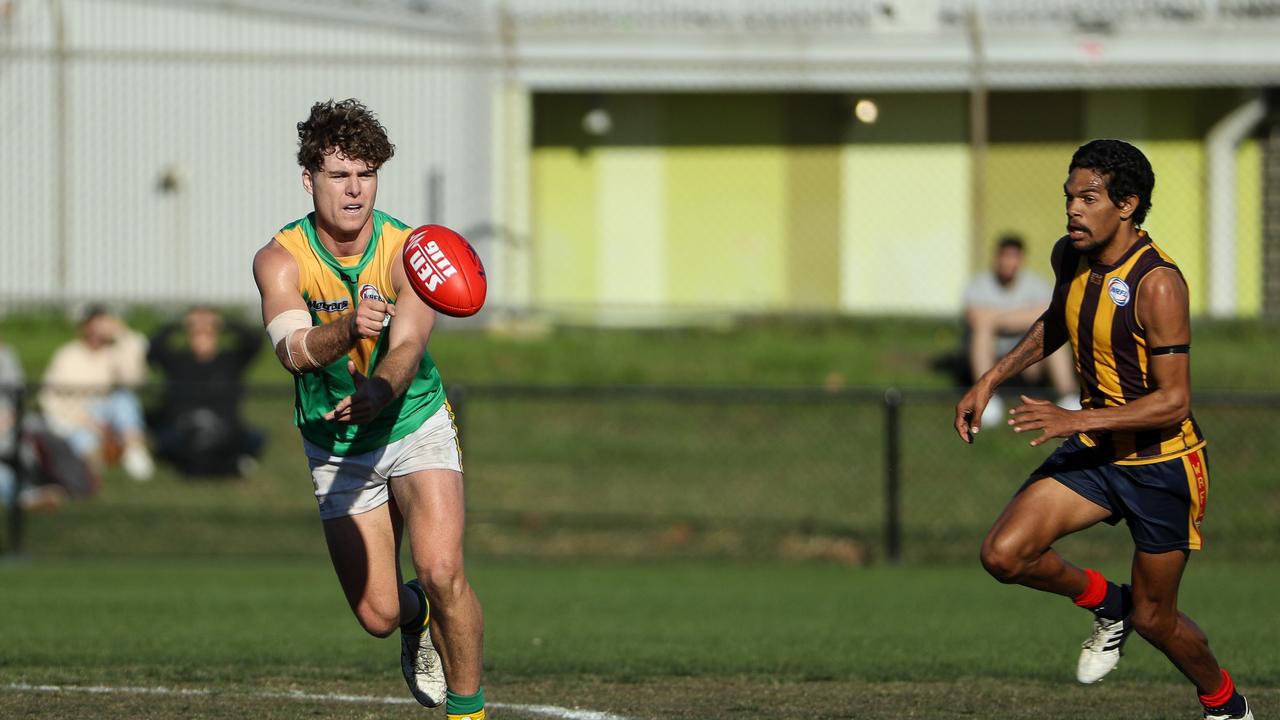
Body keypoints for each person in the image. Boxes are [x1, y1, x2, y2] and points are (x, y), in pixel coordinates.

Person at [954, 139, 1252, 720]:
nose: (1073, 210)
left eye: (1087, 198)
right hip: (1097, 451)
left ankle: (1226, 703)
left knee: (1156, 619)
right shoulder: (1071, 255)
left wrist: (1074, 418)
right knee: (1004, 556)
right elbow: (1056, 324)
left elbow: (1174, 401)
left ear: (1127, 204)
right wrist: (991, 376)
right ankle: (1107, 604)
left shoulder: (1159, 283)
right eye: (1069, 197)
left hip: (1162, 465)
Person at [251, 99, 485, 720]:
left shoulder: (412, 250)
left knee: (441, 567)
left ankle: (469, 710)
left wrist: (379, 390)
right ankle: (418, 615)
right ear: (310, 179)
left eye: (367, 174)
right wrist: (349, 324)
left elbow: (407, 345)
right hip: (335, 441)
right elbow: (293, 351)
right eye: (338, 175)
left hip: (412, 421)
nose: (355, 190)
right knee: (379, 615)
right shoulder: (280, 259)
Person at [964, 234, 1078, 426]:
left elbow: (1048, 313)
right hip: (993, 353)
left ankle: (1068, 396)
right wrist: (1024, 315)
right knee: (982, 331)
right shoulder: (979, 284)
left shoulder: (1036, 283)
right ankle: (985, 396)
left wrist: (997, 318)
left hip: (1029, 355)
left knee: (1053, 332)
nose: (1009, 262)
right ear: (996, 257)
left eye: (1014, 256)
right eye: (1005, 256)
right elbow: (976, 319)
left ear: (1021, 259)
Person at [38, 304, 154, 481]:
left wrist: (121, 334)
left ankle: (134, 449)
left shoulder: (114, 352)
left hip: (105, 413)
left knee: (124, 399)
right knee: (85, 446)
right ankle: (95, 462)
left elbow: (135, 380)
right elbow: (48, 397)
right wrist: (81, 419)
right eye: (92, 325)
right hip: (76, 418)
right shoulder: (67, 355)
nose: (96, 331)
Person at [146, 306, 265, 476]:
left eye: (207, 334)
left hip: (224, 427)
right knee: (168, 440)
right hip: (183, 428)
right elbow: (154, 347)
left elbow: (255, 341)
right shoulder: (178, 361)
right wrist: (181, 324)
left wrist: (223, 323)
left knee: (253, 437)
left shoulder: (230, 360)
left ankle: (226, 464)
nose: (202, 339)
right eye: (196, 334)